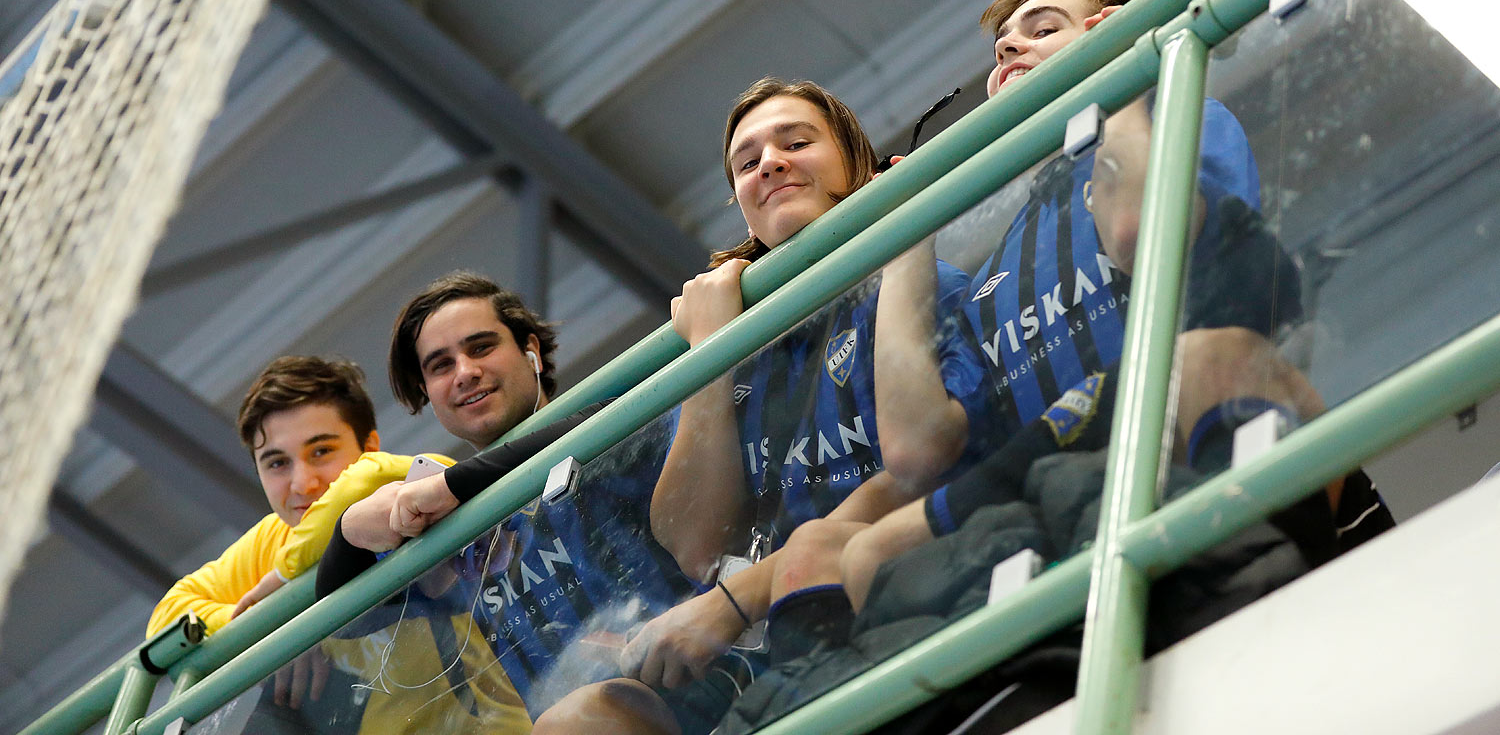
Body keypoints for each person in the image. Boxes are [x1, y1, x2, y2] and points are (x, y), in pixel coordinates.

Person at [839, 0, 1394, 611]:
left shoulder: (1182, 117)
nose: (1011, 49)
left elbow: (1136, 232)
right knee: (865, 553)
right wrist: (908, 236)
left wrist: (1125, 77)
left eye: (1044, 29)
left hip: (1187, 430)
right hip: (1059, 488)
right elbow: (912, 447)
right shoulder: (996, 271)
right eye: (1002, 49)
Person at [525, 79, 989, 734]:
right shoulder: (743, 344)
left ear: (855, 167)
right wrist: (710, 355)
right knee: (576, 719)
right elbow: (693, 544)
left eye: (797, 142)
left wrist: (738, 598)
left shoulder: (922, 282)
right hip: (762, 646)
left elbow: (927, 464)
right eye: (747, 162)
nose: (770, 161)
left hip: (892, 583)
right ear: (744, 207)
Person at [319, 272, 700, 726]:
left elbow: (608, 418)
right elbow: (345, 621)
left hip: (705, 689)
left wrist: (452, 485)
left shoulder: (610, 424)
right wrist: (348, 530)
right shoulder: (455, 529)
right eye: (440, 365)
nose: (465, 372)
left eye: (481, 347)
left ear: (531, 351)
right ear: (427, 393)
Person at [147, 355, 527, 733]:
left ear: (371, 446)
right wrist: (276, 632)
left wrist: (285, 576)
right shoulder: (272, 538)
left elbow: (362, 482)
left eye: (322, 451)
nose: (303, 484)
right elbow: (167, 616)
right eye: (277, 464)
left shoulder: (416, 486)